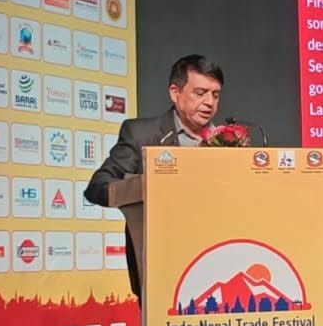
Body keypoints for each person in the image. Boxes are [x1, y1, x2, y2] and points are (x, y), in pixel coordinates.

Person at [85, 54, 224, 298]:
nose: (209, 102)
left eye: (215, 95)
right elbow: (98, 187)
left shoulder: (228, 142)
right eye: (200, 93)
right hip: (160, 267)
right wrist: (147, 187)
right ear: (175, 92)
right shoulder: (141, 134)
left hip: (218, 264)